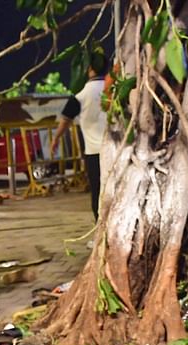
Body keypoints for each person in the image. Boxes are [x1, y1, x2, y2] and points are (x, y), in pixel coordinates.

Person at [50, 50, 108, 219]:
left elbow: (65, 119)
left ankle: (99, 233)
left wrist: (56, 139)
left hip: (93, 153)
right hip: (116, 151)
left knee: (97, 193)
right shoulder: (112, 89)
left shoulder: (80, 95)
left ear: (89, 68)